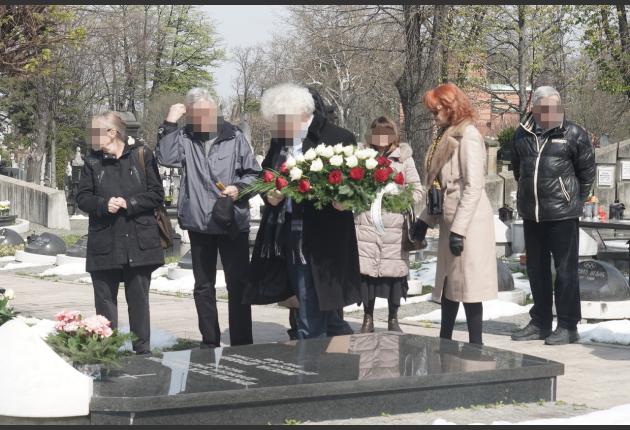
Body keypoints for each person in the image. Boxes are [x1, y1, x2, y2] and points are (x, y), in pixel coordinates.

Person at [246, 82, 361, 339]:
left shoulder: (336, 137)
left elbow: (355, 184)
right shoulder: (281, 140)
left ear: (299, 114)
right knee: (312, 307)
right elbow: (266, 174)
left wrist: (344, 199)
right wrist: (269, 194)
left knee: (320, 309)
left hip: (324, 237)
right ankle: (328, 355)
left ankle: (319, 356)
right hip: (290, 234)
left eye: (280, 120)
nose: (277, 127)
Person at [156, 87, 261, 348]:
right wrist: (169, 123)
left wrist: (239, 188)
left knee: (238, 285)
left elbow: (254, 174)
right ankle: (209, 340)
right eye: (197, 114)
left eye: (207, 112)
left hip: (231, 220)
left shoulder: (234, 137)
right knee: (203, 286)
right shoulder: (184, 136)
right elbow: (165, 157)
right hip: (199, 222)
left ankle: (241, 342)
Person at [510, 86, 596, 345]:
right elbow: (518, 170)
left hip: (562, 215)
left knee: (566, 271)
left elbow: (587, 172)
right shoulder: (521, 134)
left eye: (555, 107)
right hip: (533, 213)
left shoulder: (573, 133)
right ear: (535, 108)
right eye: (546, 108)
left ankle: (568, 326)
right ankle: (540, 322)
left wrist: (574, 200)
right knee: (536, 270)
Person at [414, 83, 498, 345]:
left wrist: (459, 230)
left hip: (469, 223)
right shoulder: (446, 134)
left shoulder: (468, 135)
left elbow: (473, 187)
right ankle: (445, 340)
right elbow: (441, 186)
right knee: (450, 284)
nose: (433, 116)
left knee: (468, 288)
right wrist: (424, 220)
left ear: (450, 108)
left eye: (436, 111)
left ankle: (476, 345)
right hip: (452, 218)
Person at [77, 111, 164, 355]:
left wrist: (130, 203)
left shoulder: (142, 155)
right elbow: (82, 197)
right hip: (104, 240)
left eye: (95, 132)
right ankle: (107, 351)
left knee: (138, 301)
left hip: (138, 239)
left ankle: (142, 350)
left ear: (112, 133)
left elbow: (157, 194)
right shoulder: (92, 161)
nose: (91, 137)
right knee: (104, 301)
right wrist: (103, 205)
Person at [354, 116, 424, 333]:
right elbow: (352, 184)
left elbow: (417, 189)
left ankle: (393, 318)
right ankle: (368, 318)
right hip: (367, 222)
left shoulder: (404, 158)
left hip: (393, 224)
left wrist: (398, 197)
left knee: (394, 273)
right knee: (367, 273)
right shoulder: (362, 155)